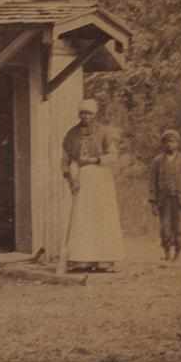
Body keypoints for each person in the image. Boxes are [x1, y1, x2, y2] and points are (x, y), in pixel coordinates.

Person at [61, 98, 125, 272]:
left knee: (102, 216)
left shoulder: (104, 132)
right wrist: (70, 179)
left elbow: (113, 156)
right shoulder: (71, 134)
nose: (85, 116)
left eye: (89, 113)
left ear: (95, 114)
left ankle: (105, 260)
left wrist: (96, 159)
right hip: (80, 178)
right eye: (82, 113)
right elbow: (65, 160)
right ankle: (83, 259)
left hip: (100, 177)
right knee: (82, 218)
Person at [149, 129, 181, 261]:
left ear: (178, 144)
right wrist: (153, 202)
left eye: (173, 142)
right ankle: (167, 252)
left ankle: (177, 254)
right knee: (165, 228)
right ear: (163, 144)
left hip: (180, 200)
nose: (170, 145)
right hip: (164, 200)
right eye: (166, 142)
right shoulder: (157, 161)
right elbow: (152, 183)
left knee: (179, 228)